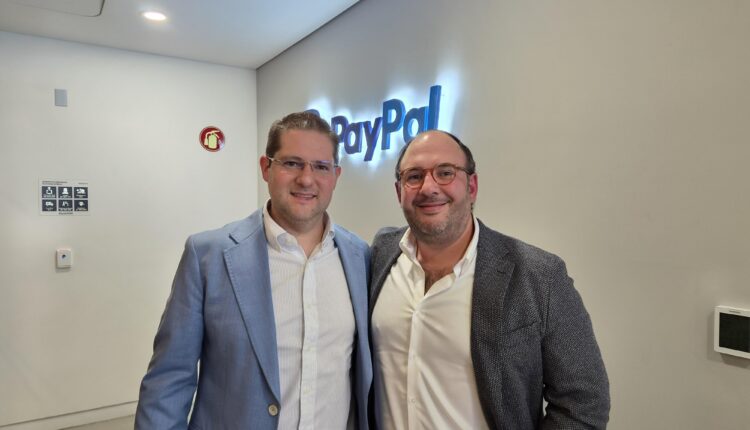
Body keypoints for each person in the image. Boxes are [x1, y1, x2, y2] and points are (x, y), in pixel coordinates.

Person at [136, 112, 372, 429]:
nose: (306, 179)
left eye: (320, 166)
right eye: (292, 163)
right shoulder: (208, 256)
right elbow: (169, 380)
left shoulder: (359, 256)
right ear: (266, 168)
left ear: (336, 175)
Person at [369, 130, 609, 429]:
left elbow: (584, 403)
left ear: (472, 186)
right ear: (399, 192)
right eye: (414, 176)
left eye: (445, 173)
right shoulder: (379, 255)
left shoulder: (539, 276)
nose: (428, 187)